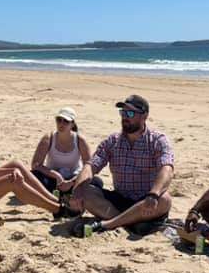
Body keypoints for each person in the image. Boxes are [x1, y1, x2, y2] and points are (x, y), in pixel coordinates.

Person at [69, 94, 174, 234]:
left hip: (146, 201)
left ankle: (109, 223)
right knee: (86, 190)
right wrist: (77, 189)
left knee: (165, 199)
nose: (125, 117)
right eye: (122, 112)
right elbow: (91, 166)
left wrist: (154, 194)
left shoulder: (157, 140)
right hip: (119, 200)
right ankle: (126, 222)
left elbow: (166, 169)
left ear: (144, 116)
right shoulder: (113, 141)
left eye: (130, 113)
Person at [29, 107, 93, 195]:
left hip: (74, 178)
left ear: (73, 124)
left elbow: (89, 167)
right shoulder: (49, 137)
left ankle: (62, 193)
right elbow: (35, 165)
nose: (61, 124)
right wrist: (56, 175)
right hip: (52, 177)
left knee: (96, 182)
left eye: (66, 121)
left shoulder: (80, 140)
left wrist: (71, 182)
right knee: (33, 175)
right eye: (59, 120)